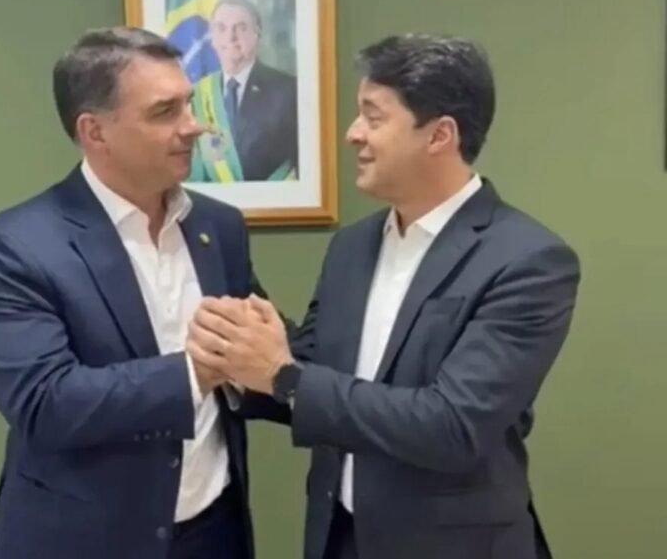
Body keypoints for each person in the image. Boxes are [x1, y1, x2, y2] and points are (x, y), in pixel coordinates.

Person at [187, 34, 582, 559]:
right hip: (340, 537)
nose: (353, 134)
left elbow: (453, 426)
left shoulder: (528, 260)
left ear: (439, 135)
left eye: (373, 117)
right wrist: (244, 363)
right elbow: (317, 375)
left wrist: (283, 374)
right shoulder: (352, 246)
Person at [0, 26, 266, 559]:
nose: (193, 126)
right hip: (86, 539)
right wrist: (197, 371)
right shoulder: (12, 246)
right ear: (95, 131)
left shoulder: (217, 226)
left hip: (214, 529)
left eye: (189, 103)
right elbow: (45, 403)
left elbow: (261, 346)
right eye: (164, 112)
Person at [189, 0, 298, 183]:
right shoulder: (197, 94)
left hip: (272, 198)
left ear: (257, 34)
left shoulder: (288, 90)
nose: (230, 37)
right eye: (221, 28)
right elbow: (196, 167)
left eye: (241, 28)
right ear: (212, 38)